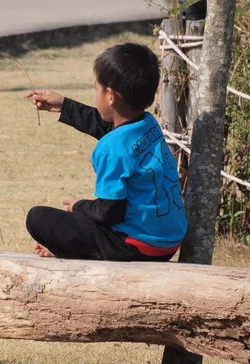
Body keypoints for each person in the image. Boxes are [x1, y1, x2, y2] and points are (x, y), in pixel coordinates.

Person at [26, 43, 187, 262]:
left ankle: (71, 250)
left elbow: (109, 212)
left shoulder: (111, 149)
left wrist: (79, 206)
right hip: (168, 242)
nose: (96, 93)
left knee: (38, 218)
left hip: (136, 246)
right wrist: (64, 106)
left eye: (96, 88)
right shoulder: (148, 124)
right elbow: (109, 127)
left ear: (110, 95)